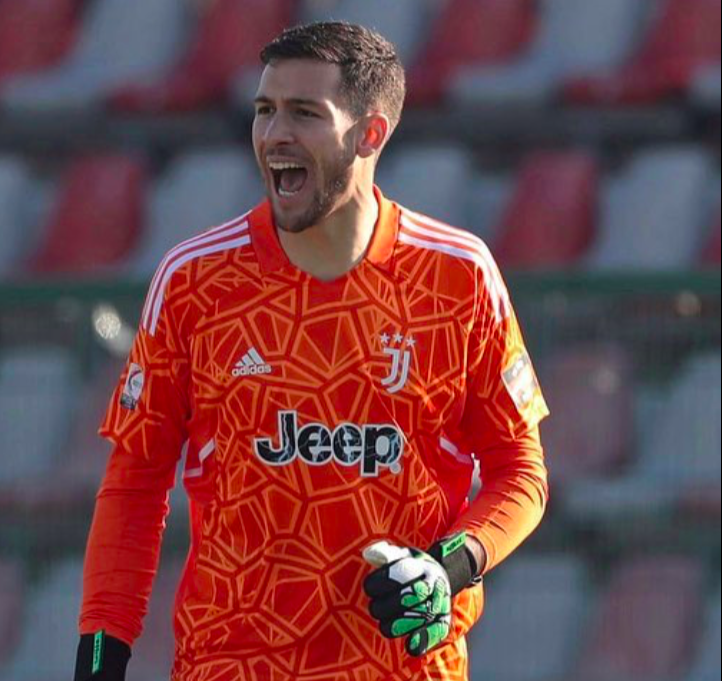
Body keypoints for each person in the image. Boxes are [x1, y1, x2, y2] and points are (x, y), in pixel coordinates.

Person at [74, 21, 549, 681]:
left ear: (370, 134)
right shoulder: (193, 280)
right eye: (264, 110)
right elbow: (134, 484)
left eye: (304, 113)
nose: (274, 135)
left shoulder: (459, 276)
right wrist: (100, 660)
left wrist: (447, 567)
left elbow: (521, 472)